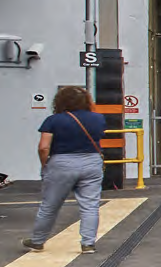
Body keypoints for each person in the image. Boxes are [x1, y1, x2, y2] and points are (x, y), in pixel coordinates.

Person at [25, 84, 107, 253]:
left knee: (50, 205)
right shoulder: (98, 118)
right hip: (92, 162)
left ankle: (38, 241)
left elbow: (43, 147)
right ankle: (88, 243)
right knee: (90, 205)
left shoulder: (53, 120)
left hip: (62, 162)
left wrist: (45, 164)